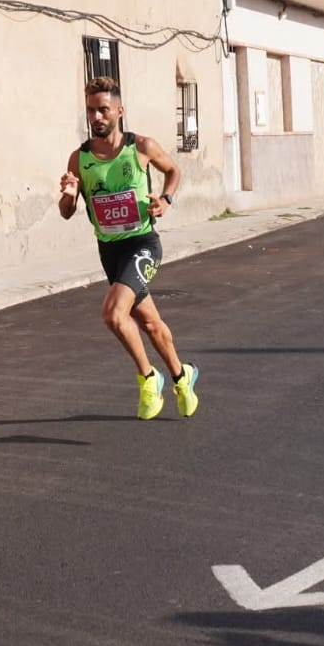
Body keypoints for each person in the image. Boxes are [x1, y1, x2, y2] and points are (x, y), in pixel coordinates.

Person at [58, 76, 200, 420]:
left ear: (119, 111)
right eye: (91, 110)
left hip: (143, 244)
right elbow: (66, 211)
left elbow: (173, 170)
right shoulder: (79, 159)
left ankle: (149, 378)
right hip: (110, 252)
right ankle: (181, 376)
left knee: (113, 314)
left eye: (103, 109)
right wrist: (69, 194)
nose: (96, 117)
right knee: (149, 323)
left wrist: (165, 200)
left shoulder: (141, 147)